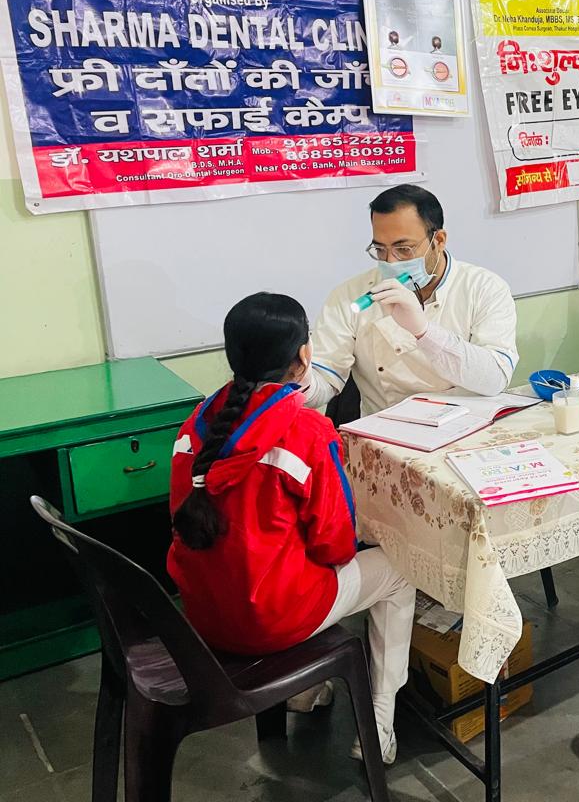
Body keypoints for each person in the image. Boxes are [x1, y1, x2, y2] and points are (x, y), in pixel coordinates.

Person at [168, 293, 413, 764]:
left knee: (290, 559)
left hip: (202, 614)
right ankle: (379, 720)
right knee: (399, 570)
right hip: (269, 621)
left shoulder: (196, 425)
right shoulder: (307, 432)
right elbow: (335, 547)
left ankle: (305, 690)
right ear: (304, 356)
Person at [303, 185, 519, 416]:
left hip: (468, 422)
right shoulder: (350, 296)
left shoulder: (484, 288)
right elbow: (324, 382)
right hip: (385, 428)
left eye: (404, 249)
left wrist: (424, 332)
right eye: (380, 249)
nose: (391, 261)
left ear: (439, 240)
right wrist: (298, 377)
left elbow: (495, 379)